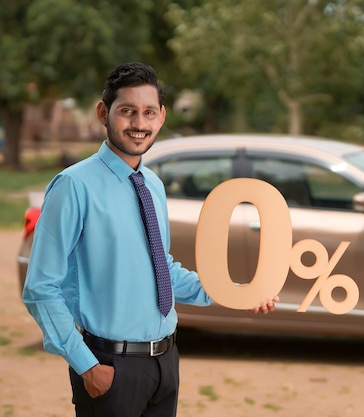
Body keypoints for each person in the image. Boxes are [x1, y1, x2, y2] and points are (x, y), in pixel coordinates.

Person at [22, 62, 278, 417]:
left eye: (148, 112)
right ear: (103, 113)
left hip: (165, 365)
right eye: (127, 111)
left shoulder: (152, 185)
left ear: (161, 117)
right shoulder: (74, 186)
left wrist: (236, 291)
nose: (139, 124)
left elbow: (161, 271)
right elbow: (41, 287)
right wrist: (87, 366)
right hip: (108, 367)